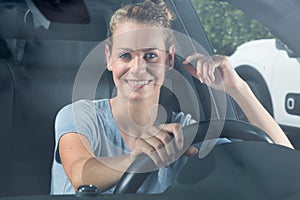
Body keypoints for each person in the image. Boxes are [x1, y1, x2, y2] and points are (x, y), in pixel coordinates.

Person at [50, 0, 294, 195]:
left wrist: (237, 88)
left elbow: (285, 165)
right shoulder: (79, 115)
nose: (137, 68)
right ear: (108, 58)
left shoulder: (185, 133)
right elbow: (81, 174)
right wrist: (138, 160)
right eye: (125, 56)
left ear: (168, 60)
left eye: (151, 56)